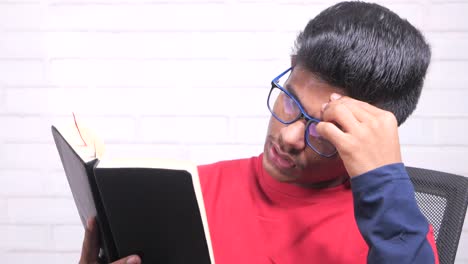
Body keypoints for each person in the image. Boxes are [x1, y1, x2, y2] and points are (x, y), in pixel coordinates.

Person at [79, 2, 439, 264]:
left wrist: (384, 180)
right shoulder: (191, 195)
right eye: (289, 102)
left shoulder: (398, 234)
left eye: (323, 128)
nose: (289, 137)